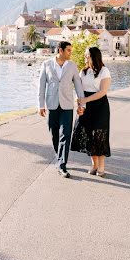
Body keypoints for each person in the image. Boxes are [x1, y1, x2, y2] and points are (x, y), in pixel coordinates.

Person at [38, 40, 86, 178]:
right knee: (54, 135)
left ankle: (62, 165)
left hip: (67, 106)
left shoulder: (72, 66)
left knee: (66, 134)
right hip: (52, 105)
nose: (71, 52)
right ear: (60, 51)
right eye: (69, 50)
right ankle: (59, 158)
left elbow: (78, 86)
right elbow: (41, 86)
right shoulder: (46, 64)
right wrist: (41, 105)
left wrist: (82, 105)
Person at [71, 46, 111, 176]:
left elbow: (103, 92)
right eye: (85, 55)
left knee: (99, 135)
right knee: (88, 135)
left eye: (87, 55)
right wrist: (80, 105)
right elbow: (79, 90)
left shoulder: (104, 71)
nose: (85, 57)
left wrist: (86, 100)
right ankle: (94, 165)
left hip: (100, 106)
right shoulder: (83, 71)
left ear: (94, 56)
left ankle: (101, 166)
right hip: (86, 106)